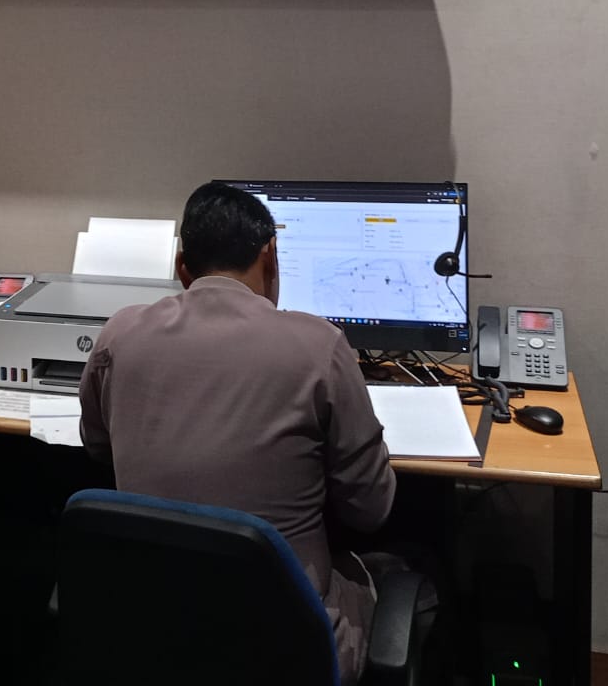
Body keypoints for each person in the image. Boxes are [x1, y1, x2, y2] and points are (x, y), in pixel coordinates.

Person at [78, 181, 395, 685]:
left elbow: (97, 446)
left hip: (155, 628)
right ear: (271, 255)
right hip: (286, 643)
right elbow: (370, 508)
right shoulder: (320, 345)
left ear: (182, 268)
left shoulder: (118, 334)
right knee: (402, 568)